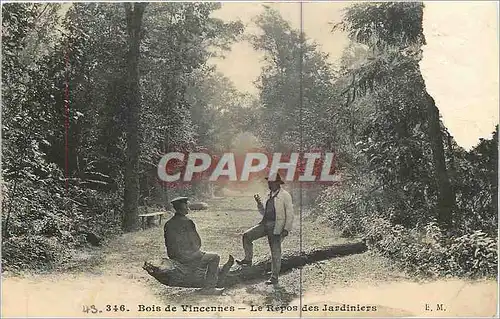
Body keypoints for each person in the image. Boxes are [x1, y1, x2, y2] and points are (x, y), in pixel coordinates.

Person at [164, 196, 231, 294]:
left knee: (204, 256)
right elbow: (197, 243)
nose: (188, 207)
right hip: (186, 257)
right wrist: (197, 254)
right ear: (183, 207)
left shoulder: (168, 223)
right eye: (186, 205)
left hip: (174, 256)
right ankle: (209, 288)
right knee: (215, 257)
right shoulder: (187, 222)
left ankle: (209, 275)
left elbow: (169, 244)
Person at [236, 173, 294, 285]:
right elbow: (264, 212)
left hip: (276, 227)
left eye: (271, 182)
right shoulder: (268, 195)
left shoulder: (285, 195)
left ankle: (274, 277)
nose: (269, 184)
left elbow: (290, 214)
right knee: (247, 236)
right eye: (268, 182)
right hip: (265, 224)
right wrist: (259, 203)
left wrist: (286, 229)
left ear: (277, 183)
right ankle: (248, 260)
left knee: (275, 252)